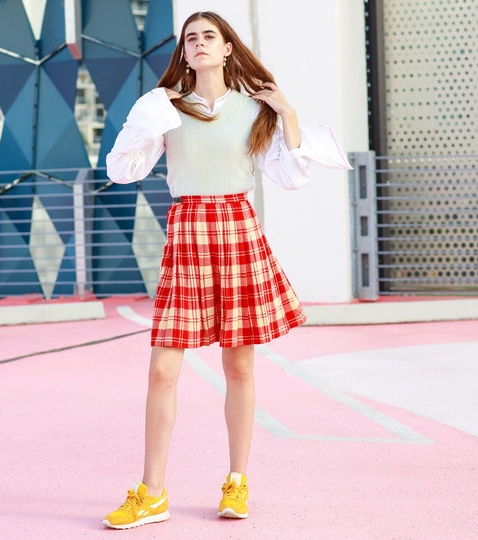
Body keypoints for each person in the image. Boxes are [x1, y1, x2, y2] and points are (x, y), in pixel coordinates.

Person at [101, 11, 350, 530]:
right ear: (184, 53)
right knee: (162, 369)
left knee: (239, 367)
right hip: (187, 231)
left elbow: (291, 177)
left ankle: (237, 482)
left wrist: (287, 112)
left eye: (208, 36)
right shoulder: (166, 108)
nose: (198, 44)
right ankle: (152, 494)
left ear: (227, 48)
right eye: (190, 39)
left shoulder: (253, 110)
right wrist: (148, 114)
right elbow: (122, 170)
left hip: (238, 228)